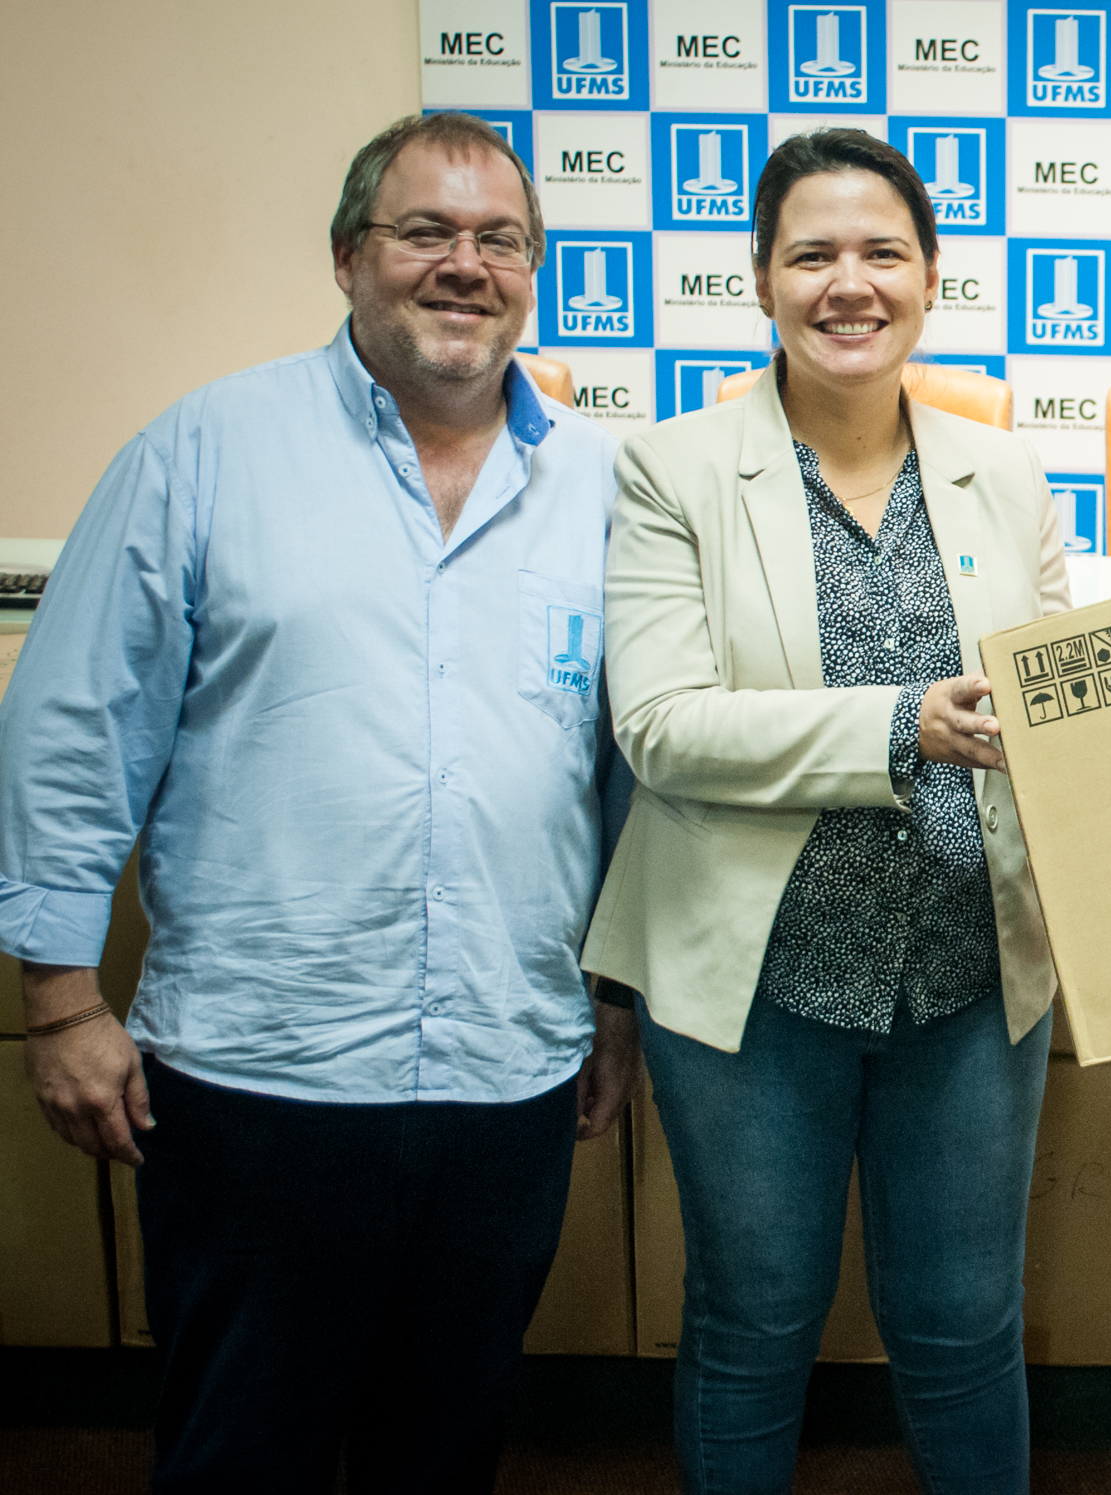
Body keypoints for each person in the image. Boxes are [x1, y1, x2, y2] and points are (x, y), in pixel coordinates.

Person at [0, 112, 637, 1492]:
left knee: (444, 1451)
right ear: (349, 256)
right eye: (425, 232)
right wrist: (58, 1002)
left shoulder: (603, 486)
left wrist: (613, 997)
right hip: (259, 1079)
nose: (465, 264)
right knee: (242, 1453)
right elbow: (72, 727)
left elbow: (619, 770)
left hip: (506, 1072)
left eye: (501, 239)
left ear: (533, 272)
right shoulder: (204, 450)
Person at [579, 128, 1066, 1495]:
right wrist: (903, 724)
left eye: (883, 253)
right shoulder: (672, 469)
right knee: (753, 1323)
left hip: (968, 976)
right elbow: (661, 725)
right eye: (812, 255)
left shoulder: (1007, 476)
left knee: (966, 1329)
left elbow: (1057, 708)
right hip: (756, 985)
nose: (850, 284)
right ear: (761, 279)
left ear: (930, 278)